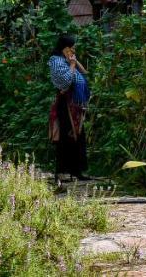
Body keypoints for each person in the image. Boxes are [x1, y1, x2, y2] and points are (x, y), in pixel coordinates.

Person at [48, 33, 91, 184]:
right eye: (72, 48)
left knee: (78, 136)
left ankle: (77, 170)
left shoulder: (67, 59)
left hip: (75, 104)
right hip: (65, 104)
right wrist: (71, 65)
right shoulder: (56, 61)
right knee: (66, 136)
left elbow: (84, 73)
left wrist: (74, 61)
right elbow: (64, 83)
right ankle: (63, 172)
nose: (74, 50)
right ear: (65, 48)